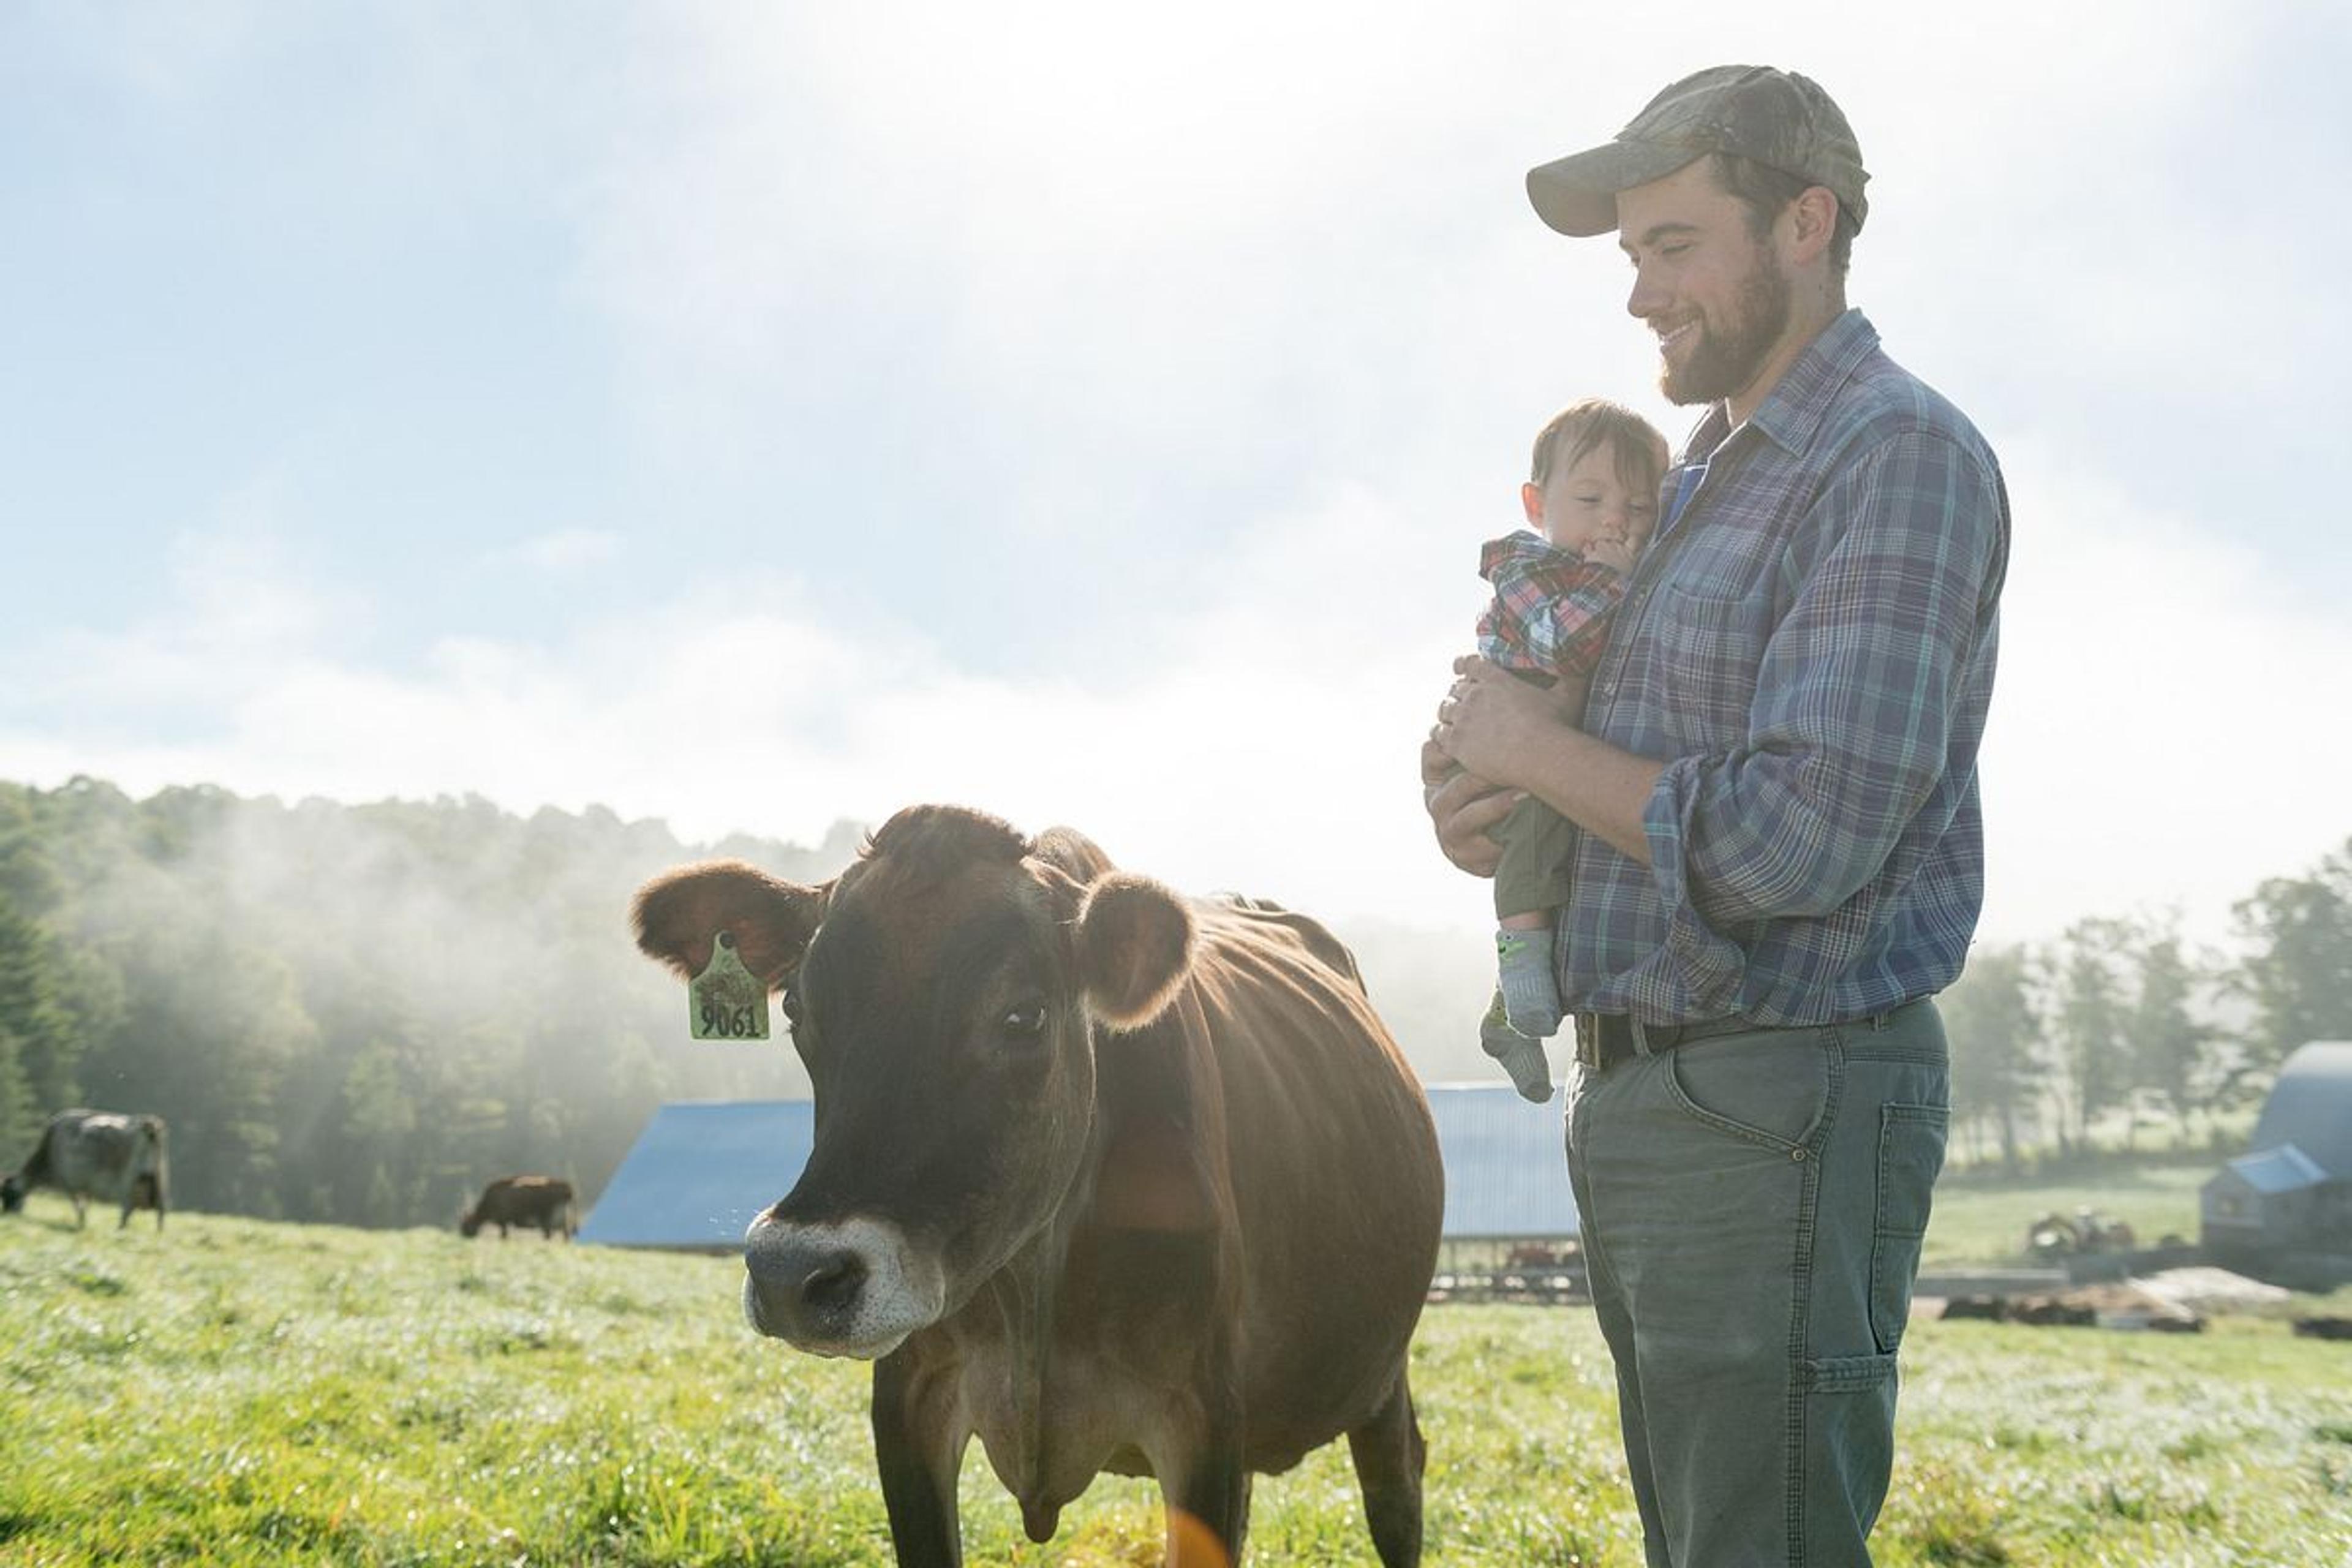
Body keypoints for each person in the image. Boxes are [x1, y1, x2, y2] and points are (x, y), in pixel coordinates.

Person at [1422, 64, 2010, 1567]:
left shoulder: (1889, 454)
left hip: (1779, 1099)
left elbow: (1798, 838)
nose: (1638, 294)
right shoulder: (1693, 486)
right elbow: (1586, 746)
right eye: (1629, 256)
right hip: (1663, 1097)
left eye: (1672, 245)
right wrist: (1483, 787)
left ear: (1801, 224)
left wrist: (1540, 758)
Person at [1473, 398, 1668, 1102]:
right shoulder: (1525, 571)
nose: (1614, 518)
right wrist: (1613, 581)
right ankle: (1521, 969)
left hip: (1570, 754)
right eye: (1590, 499)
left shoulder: (1630, 578)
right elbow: (1563, 644)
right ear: (1537, 502)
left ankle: (1510, 1021)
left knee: (1570, 866)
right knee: (1533, 832)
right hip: (1515, 749)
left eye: (1637, 507)